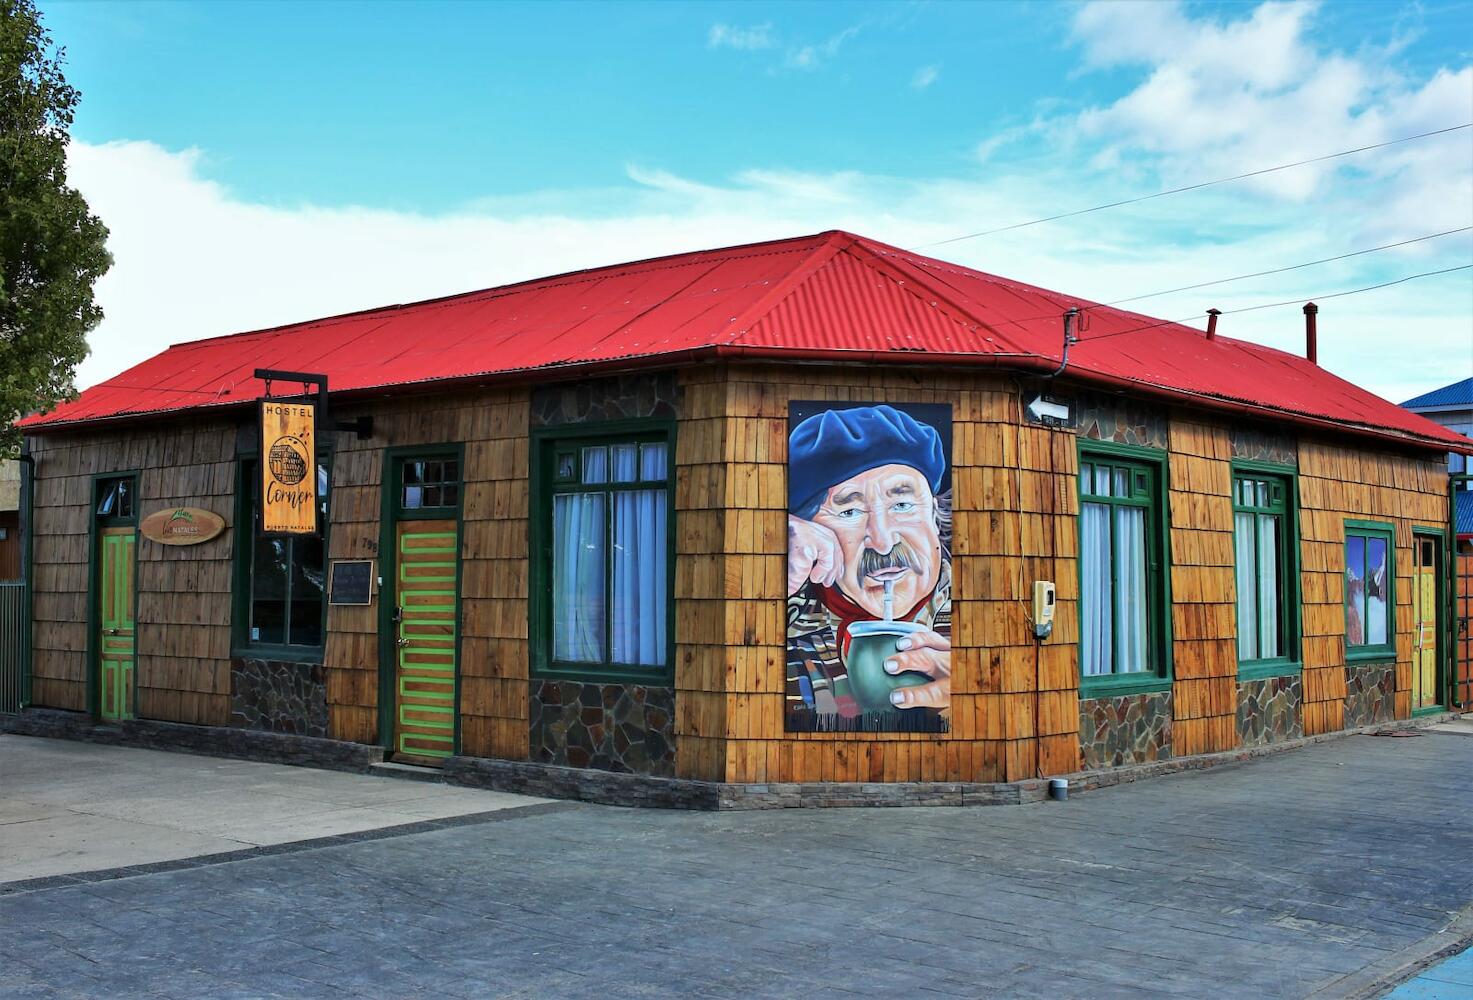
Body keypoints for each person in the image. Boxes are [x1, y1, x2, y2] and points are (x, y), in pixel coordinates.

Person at [786, 404, 951, 730]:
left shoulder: (987, 611)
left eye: (902, 505)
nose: (884, 541)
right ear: (810, 532)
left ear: (933, 512)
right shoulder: (789, 621)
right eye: (849, 512)